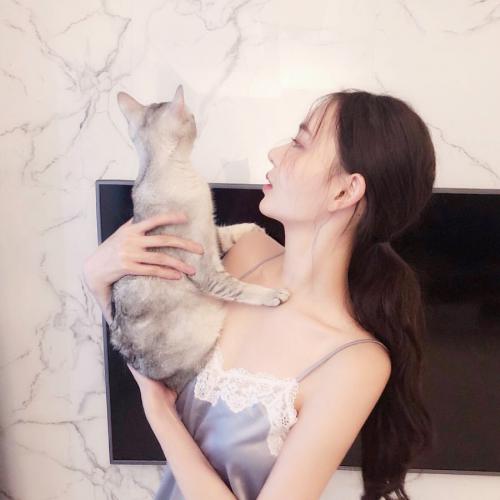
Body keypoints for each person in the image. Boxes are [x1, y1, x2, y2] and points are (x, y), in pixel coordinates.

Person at [84, 89, 435, 500]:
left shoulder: (355, 363)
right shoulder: (242, 252)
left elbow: (155, 392)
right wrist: (97, 276)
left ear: (345, 191)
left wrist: (159, 412)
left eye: (300, 143)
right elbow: (145, 338)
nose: (275, 152)